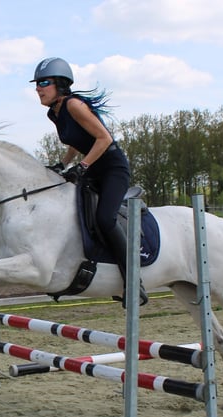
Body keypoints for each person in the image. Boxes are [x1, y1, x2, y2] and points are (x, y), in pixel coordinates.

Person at [31, 57, 148, 307]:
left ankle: (134, 281)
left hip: (112, 167)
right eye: (37, 84)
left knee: (105, 218)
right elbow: (77, 140)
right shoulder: (55, 112)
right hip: (94, 167)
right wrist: (64, 164)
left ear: (60, 84)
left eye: (43, 82)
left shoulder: (74, 105)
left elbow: (103, 139)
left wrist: (82, 166)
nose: (38, 88)